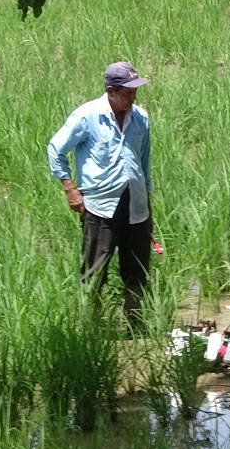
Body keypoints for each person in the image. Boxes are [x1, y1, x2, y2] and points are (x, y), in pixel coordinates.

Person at [47, 61, 153, 323]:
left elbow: (144, 163)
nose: (133, 98)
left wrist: (148, 207)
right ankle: (92, 329)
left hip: (136, 206)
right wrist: (70, 189)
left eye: (135, 92)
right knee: (94, 272)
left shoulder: (141, 117)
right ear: (110, 90)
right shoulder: (87, 116)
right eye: (127, 93)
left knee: (137, 271)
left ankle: (136, 328)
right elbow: (56, 149)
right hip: (100, 207)